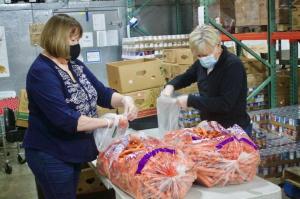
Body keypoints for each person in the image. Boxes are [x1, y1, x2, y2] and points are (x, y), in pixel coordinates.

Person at [23, 14, 138, 199]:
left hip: (73, 149)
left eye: (77, 40)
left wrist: (125, 100)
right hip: (52, 153)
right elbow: (67, 120)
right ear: (57, 39)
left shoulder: (74, 65)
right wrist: (110, 122)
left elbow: (103, 94)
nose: (76, 45)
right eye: (73, 40)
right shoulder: (41, 73)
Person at [161, 25, 252, 136]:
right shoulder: (202, 64)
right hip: (211, 129)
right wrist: (171, 85)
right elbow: (188, 76)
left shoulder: (233, 66)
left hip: (233, 130)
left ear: (218, 46)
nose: (203, 59)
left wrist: (191, 100)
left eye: (206, 55)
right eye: (199, 56)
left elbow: (225, 104)